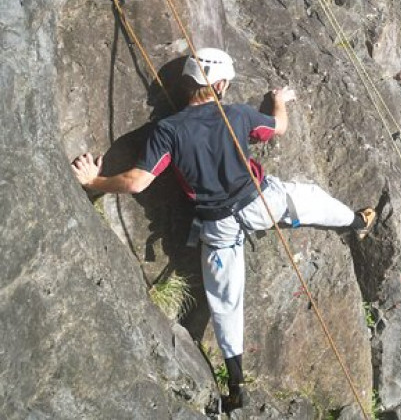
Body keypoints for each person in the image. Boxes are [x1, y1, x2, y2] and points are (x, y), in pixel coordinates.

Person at [70, 48, 376, 411]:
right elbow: (278, 127)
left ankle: (236, 381)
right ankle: (357, 222)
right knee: (307, 198)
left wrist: (95, 180)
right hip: (260, 203)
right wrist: (278, 101)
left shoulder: (167, 131)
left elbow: (137, 182)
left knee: (226, 301)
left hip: (217, 225)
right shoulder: (237, 114)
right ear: (219, 84)